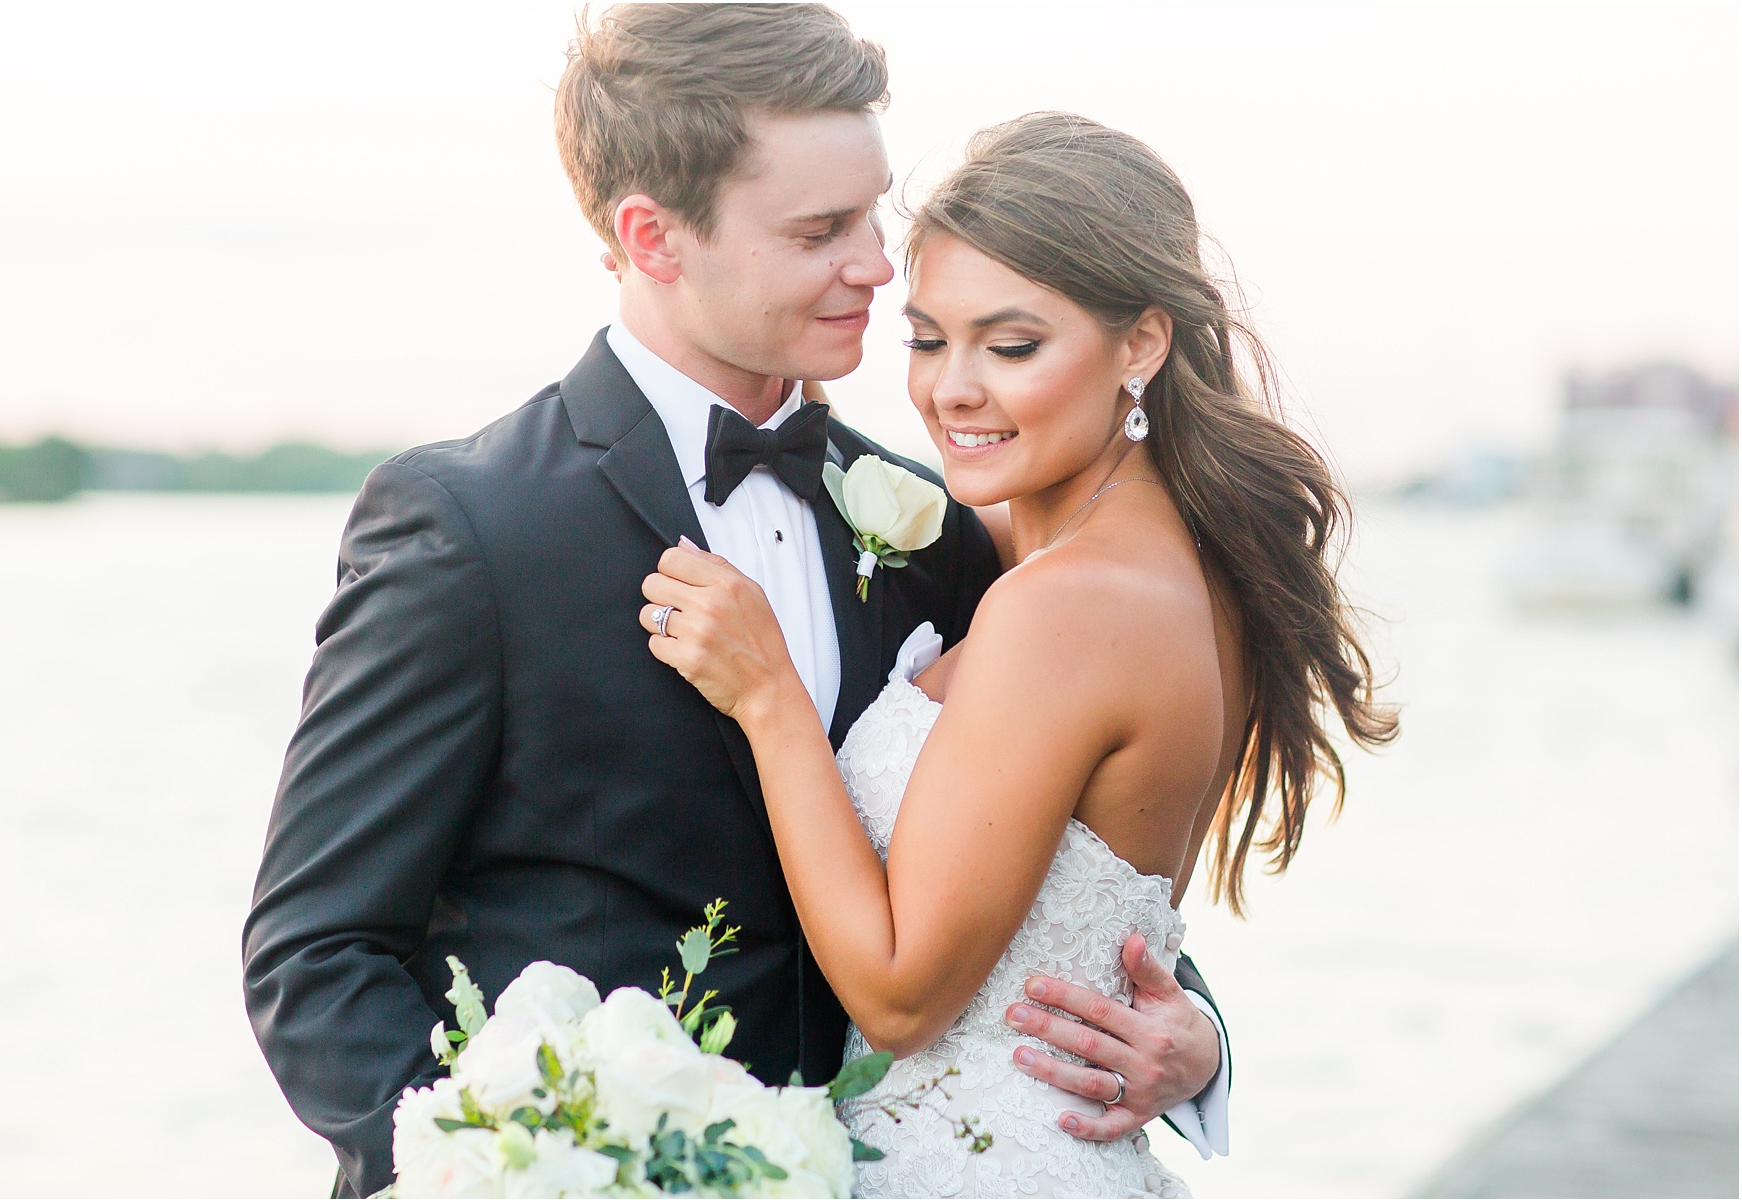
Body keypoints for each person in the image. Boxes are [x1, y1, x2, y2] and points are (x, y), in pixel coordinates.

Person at [243, 10, 1228, 1197]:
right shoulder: (469, 528)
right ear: (654, 238)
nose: (875, 261)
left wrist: (1198, 1042)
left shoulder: (938, 525)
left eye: (873, 214)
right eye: (821, 230)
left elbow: (1043, 858)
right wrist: (521, 1169)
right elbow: (318, 950)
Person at [642, 111, 1399, 1197]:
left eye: (1011, 346)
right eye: (929, 337)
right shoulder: (1157, 557)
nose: (953, 388)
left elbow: (904, 994)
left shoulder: (1072, 603)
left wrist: (770, 700)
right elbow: (1076, 912)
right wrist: (1201, 1042)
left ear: (1141, 343)